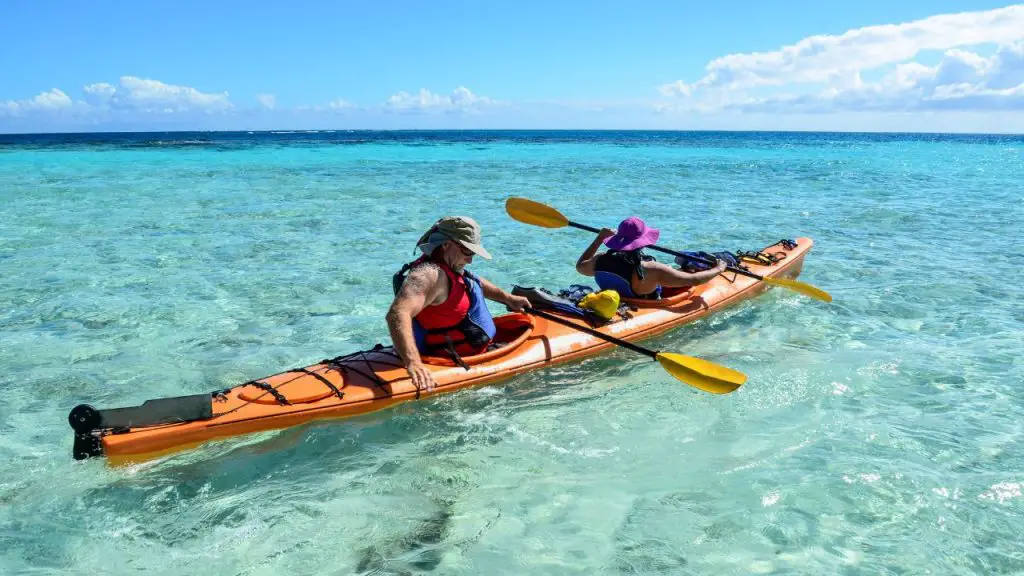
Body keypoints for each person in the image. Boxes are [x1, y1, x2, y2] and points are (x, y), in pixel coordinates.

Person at [387, 216, 531, 392]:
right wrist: (413, 363)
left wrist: (508, 299)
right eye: (468, 252)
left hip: (472, 351)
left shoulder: (449, 265)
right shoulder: (427, 276)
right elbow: (397, 313)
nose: (470, 260)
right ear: (447, 244)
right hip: (448, 360)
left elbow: (471, 282)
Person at [574, 216, 727, 299]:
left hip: (616, 300)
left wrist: (599, 238)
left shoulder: (599, 260)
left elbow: (580, 266)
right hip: (646, 305)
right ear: (643, 241)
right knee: (688, 274)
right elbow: (694, 280)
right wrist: (719, 269)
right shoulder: (652, 269)